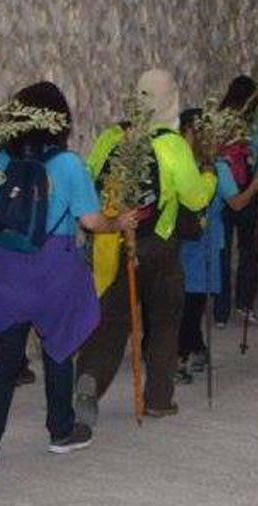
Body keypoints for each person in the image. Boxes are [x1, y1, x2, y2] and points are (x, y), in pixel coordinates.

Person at [0, 82, 115, 466]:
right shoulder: (70, 165)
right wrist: (117, 223)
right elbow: (91, 220)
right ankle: (61, 429)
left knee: (5, 354)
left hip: (8, 266)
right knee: (59, 347)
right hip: (55, 268)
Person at [76, 68, 216, 422]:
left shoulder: (112, 136)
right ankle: (158, 399)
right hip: (161, 244)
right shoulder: (172, 145)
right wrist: (211, 176)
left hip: (119, 242)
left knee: (112, 319)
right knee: (165, 320)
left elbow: (90, 178)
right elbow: (196, 198)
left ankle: (89, 379)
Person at [177, 108, 258, 380]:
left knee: (188, 299)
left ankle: (194, 348)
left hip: (180, 238)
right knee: (193, 301)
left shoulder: (176, 160)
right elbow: (236, 202)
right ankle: (181, 356)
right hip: (205, 239)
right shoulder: (216, 166)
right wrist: (256, 186)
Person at [213, 75, 258, 326]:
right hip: (250, 186)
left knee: (222, 252)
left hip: (222, 191)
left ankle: (221, 311)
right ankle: (245, 304)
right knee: (249, 250)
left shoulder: (219, 123)